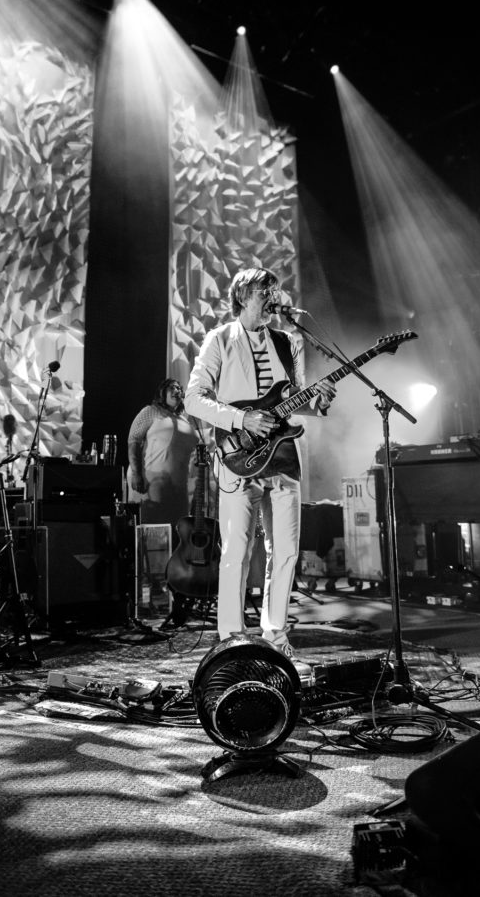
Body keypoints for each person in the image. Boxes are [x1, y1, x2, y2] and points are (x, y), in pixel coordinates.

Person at [184, 266, 336, 667]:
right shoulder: (220, 339)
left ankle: (276, 636)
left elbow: (294, 399)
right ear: (241, 297)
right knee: (237, 550)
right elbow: (193, 399)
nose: (272, 297)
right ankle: (231, 640)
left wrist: (317, 402)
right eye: (263, 291)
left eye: (275, 290)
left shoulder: (288, 341)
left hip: (282, 457)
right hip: (238, 455)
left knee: (285, 551)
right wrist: (241, 419)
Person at [127, 378, 210, 626]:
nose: (178, 390)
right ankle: (150, 603)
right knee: (153, 546)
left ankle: (177, 603)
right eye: (172, 387)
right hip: (153, 485)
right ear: (161, 392)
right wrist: (137, 473)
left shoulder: (188, 420)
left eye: (180, 388)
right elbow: (133, 441)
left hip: (179, 492)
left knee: (177, 546)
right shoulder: (150, 412)